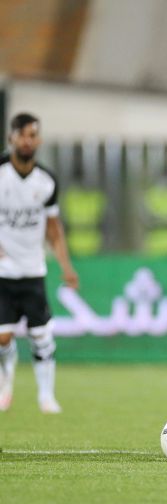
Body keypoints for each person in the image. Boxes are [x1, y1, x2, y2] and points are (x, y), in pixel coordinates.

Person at [0, 112, 79, 413]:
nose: (27, 141)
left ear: (39, 140)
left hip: (33, 270)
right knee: (3, 337)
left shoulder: (46, 181)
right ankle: (5, 381)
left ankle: (46, 396)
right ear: (11, 138)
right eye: (21, 135)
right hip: (3, 273)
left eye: (32, 135)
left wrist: (66, 267)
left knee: (41, 336)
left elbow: (53, 229)